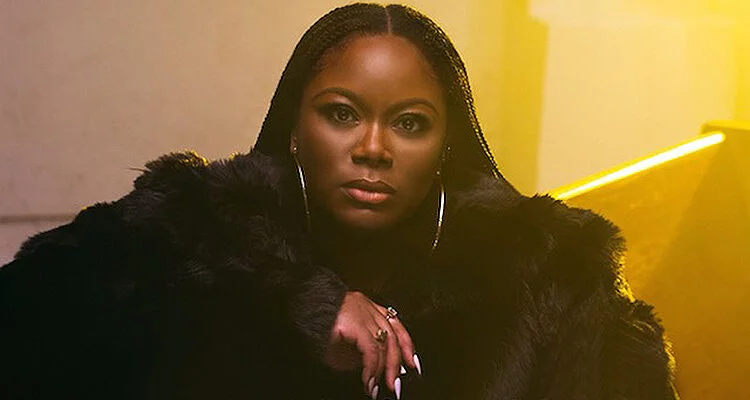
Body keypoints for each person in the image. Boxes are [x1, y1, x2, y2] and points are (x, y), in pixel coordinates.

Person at [0, 3, 678, 399]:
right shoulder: (190, 236)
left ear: (446, 144)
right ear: (296, 129)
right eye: (342, 113)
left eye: (409, 123)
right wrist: (292, 295)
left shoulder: (551, 274)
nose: (373, 147)